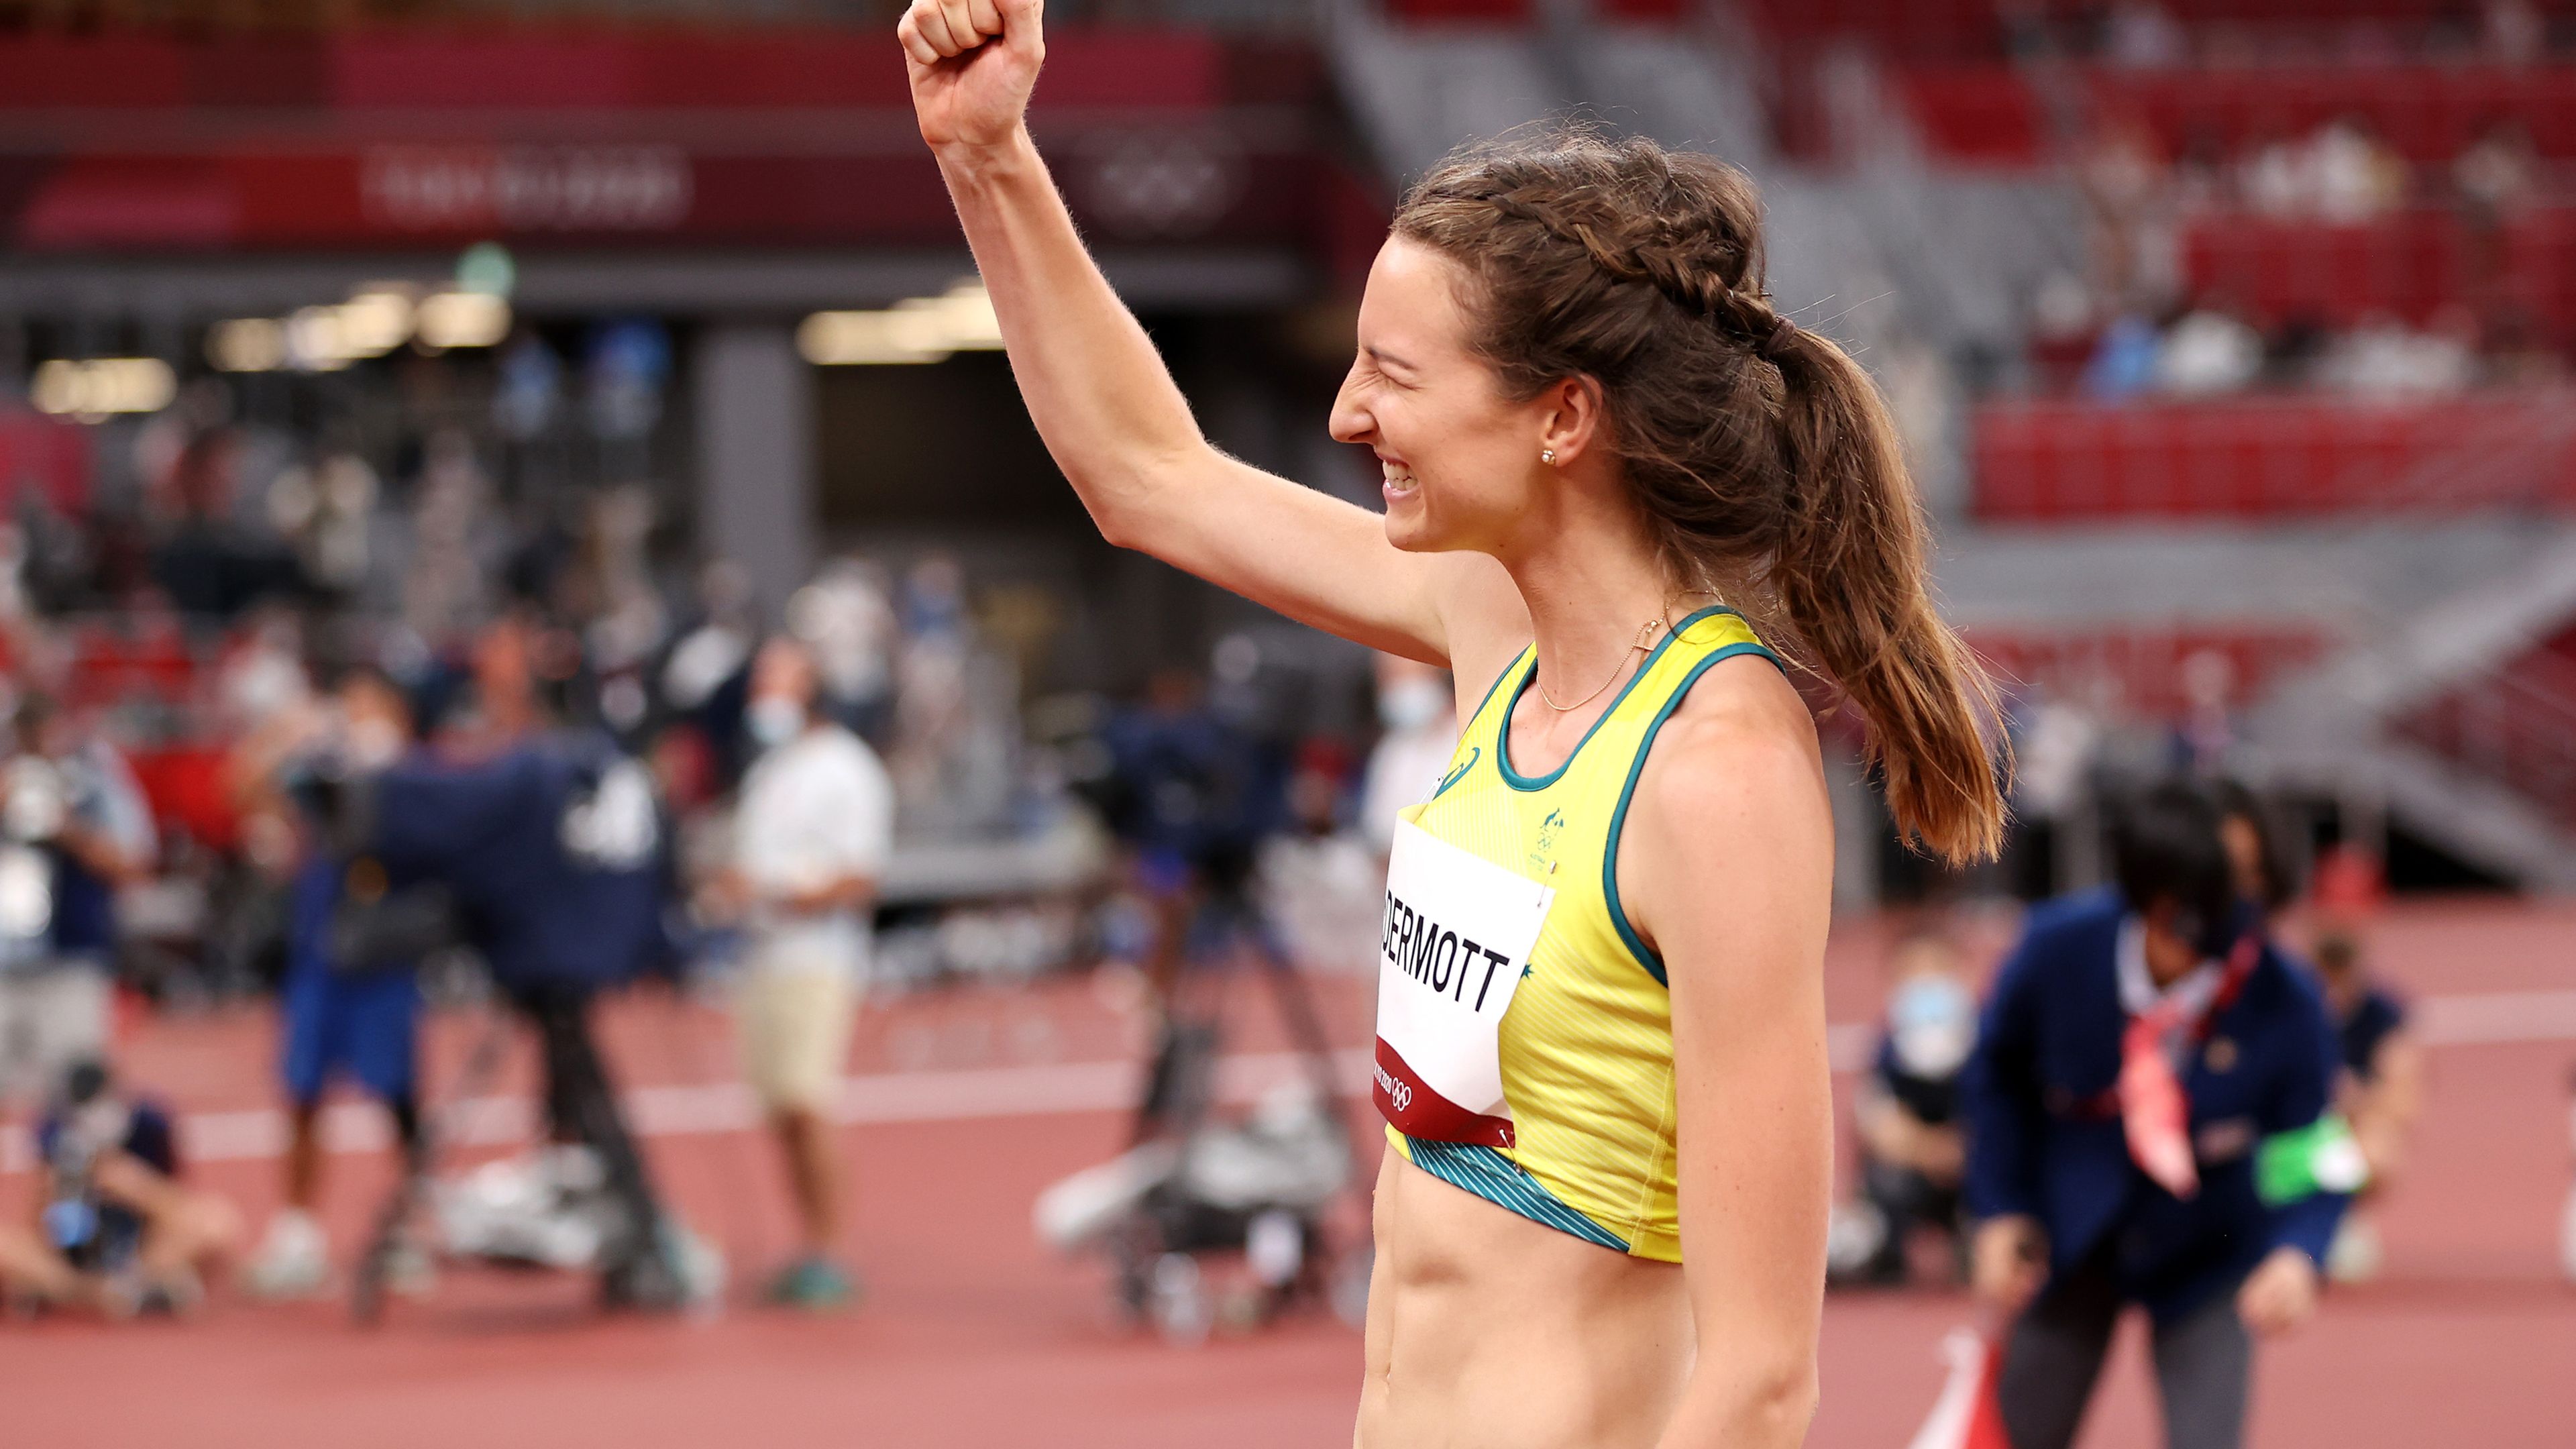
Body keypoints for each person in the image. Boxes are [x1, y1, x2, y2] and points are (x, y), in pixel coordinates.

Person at [896, 5, 2007, 1441]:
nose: (1351, 413)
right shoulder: (1497, 634)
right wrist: (989, 155)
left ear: (1562, 418)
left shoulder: (1715, 776)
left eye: (1394, 376)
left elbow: (1761, 1376)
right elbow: (1147, 476)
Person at [1963, 780, 2350, 1449]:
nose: (2242, 902)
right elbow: (1995, 1079)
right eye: (2222, 881)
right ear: (2154, 896)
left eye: (2253, 879)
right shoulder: (2056, 950)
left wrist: (2298, 1252)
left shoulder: (2284, 997)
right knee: (2017, 1429)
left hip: (2210, 1249)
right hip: (2069, 1236)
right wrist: (1999, 1210)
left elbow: (2310, 1140)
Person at [703, 635, 893, 1310]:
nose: (765, 693)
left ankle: (832, 1247)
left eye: (779, 680)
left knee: (809, 1102)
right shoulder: (770, 769)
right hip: (762, 959)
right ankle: (808, 1243)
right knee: (780, 1107)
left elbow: (858, 877)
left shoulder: (846, 769)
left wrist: (769, 893)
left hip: (816, 960)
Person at [238, 666, 434, 1300]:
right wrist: (284, 734)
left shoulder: (414, 776)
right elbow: (239, 791)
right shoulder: (320, 773)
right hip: (321, 955)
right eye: (348, 703)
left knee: (398, 1097)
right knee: (302, 1090)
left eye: (368, 704)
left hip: (384, 956)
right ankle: (299, 1234)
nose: (355, 716)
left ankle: (408, 1230)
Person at [0, 694, 155, 1108]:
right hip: (5, 964)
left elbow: (131, 864)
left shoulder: (94, 781)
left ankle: (75, 1174)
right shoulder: (7, 779)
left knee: (81, 1099)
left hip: (70, 963)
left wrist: (65, 827)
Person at [35, 1058, 241, 1314]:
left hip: (142, 1250)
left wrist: (137, 1187)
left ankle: (131, 1285)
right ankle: (105, 1291)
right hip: (78, 1254)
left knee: (216, 1223)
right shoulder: (53, 1133)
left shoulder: (150, 1124)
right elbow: (40, 1227)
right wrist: (60, 1193)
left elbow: (181, 1205)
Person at [1833, 930, 1976, 1287]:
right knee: (1888, 1182)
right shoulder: (1887, 1047)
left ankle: (1974, 1238)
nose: (1926, 982)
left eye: (1936, 969)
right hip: (1910, 1177)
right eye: (1913, 972)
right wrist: (1939, 1153)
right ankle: (1887, 1251)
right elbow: (1881, 1126)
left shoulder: (1987, 1039)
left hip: (1973, 1174)